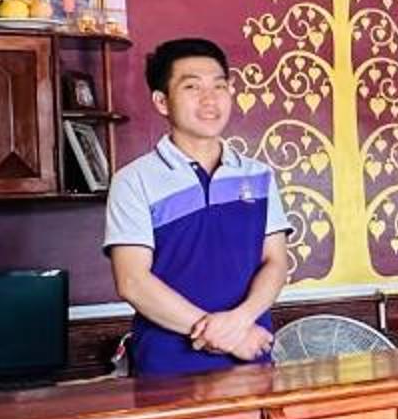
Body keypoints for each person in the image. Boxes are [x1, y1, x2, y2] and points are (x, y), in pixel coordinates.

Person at [103, 37, 290, 376]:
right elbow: (132, 281)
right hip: (166, 369)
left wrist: (240, 321)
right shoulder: (133, 181)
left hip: (252, 359)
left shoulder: (259, 175)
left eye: (219, 86)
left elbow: (275, 262)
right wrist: (228, 337)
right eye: (192, 87)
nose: (210, 99)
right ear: (162, 101)